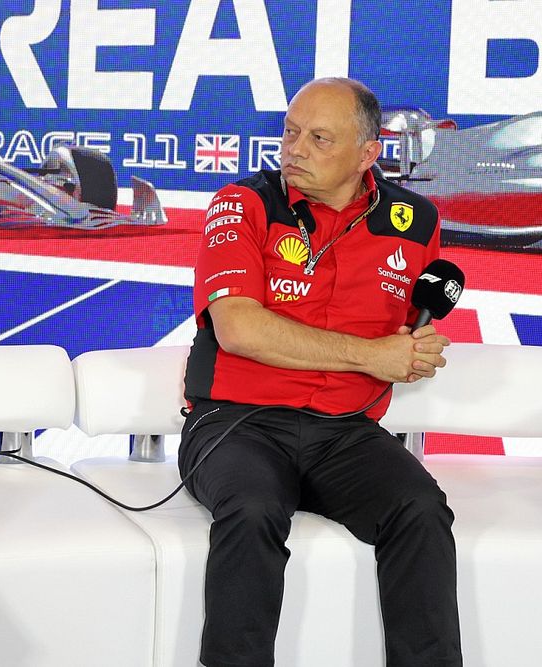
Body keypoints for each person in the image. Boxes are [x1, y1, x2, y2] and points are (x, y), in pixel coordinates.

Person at [179, 78, 462, 667]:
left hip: (346, 432)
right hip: (237, 423)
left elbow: (404, 336)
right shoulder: (243, 202)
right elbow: (239, 329)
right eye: (290, 132)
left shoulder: (417, 222)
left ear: (367, 154)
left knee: (422, 508)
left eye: (319, 138)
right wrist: (372, 355)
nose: (295, 149)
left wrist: (417, 348)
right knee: (254, 508)